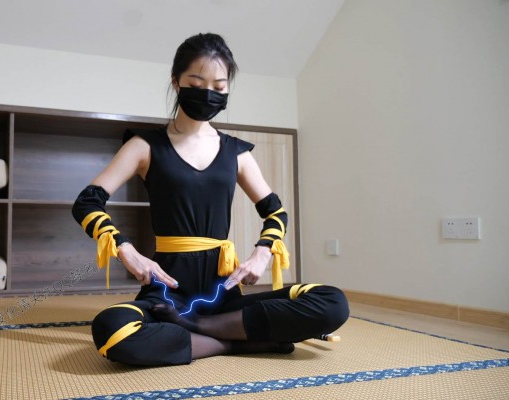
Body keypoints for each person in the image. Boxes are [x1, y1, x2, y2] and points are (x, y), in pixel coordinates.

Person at [72, 33, 349, 366]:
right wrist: (126, 250)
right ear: (176, 82)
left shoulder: (237, 153)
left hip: (224, 296)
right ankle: (234, 342)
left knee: (333, 302)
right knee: (111, 329)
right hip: (165, 295)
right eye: (196, 83)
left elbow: (276, 212)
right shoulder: (144, 146)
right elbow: (87, 202)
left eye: (219, 87)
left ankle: (200, 328)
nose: (208, 93)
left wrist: (262, 253)